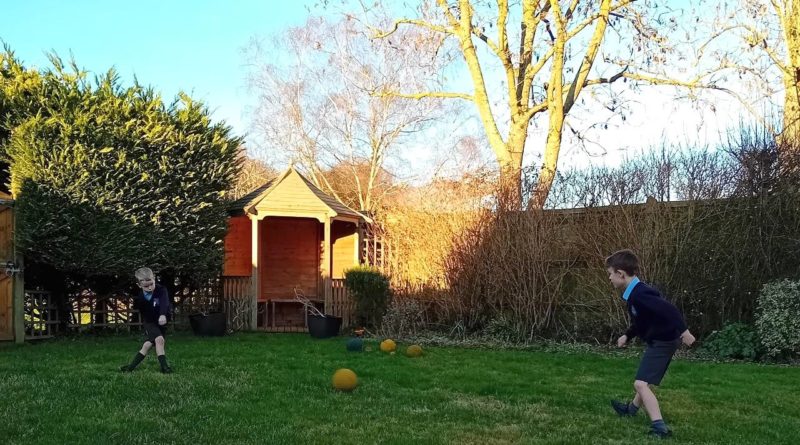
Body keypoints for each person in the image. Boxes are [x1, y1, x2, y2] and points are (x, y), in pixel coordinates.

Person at [606, 249, 695, 438]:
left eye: (610, 274)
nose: (610, 279)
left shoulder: (640, 294)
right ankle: (630, 410)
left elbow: (669, 309)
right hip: (662, 340)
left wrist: (685, 331)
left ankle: (659, 427)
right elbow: (641, 322)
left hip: (664, 341)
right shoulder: (635, 294)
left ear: (620, 274)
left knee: (640, 384)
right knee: (645, 380)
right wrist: (627, 336)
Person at [120, 267, 172, 373]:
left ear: (154, 278)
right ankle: (165, 368)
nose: (149, 287)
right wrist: (148, 326)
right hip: (150, 322)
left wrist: (162, 315)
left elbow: (164, 303)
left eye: (151, 284)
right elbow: (142, 311)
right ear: (139, 285)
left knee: (147, 345)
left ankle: (130, 368)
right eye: (146, 286)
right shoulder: (141, 297)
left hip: (162, 321)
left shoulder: (162, 290)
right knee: (159, 340)